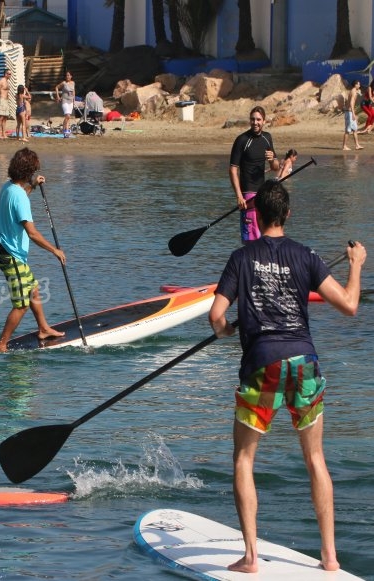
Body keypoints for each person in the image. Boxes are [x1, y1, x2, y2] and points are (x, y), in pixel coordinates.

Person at [208, 179, 366, 574]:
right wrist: (357, 265)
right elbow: (349, 305)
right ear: (288, 215)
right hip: (304, 363)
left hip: (263, 364)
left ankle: (250, 557)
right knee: (315, 459)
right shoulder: (306, 256)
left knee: (244, 459)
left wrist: (227, 330)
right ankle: (330, 557)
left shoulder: (240, 258)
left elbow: (215, 316)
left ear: (256, 217)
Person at [0, 148, 66, 352]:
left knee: (33, 288)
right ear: (28, 171)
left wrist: (33, 185)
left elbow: (20, 199)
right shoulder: (19, 196)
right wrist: (54, 250)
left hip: (5, 249)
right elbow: (32, 233)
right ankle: (2, 345)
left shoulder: (9, 188)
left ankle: (43, 328)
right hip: (10, 254)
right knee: (21, 304)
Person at [229, 105, 279, 243]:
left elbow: (275, 167)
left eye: (258, 120)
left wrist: (272, 159)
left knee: (263, 237)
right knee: (250, 239)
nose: (255, 123)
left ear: (264, 121)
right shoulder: (242, 140)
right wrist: (239, 196)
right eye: (252, 119)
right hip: (247, 196)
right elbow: (233, 170)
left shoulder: (267, 138)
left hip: (262, 196)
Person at [341, 80, 364, 151]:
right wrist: (353, 114)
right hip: (349, 112)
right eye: (358, 84)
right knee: (348, 130)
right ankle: (344, 146)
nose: (359, 86)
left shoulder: (354, 91)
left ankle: (357, 145)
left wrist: (359, 93)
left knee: (355, 129)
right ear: (355, 85)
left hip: (350, 112)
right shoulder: (353, 91)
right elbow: (351, 103)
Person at [55, 71, 75, 136]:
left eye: (69, 75)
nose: (67, 77)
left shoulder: (73, 83)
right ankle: (65, 130)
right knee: (67, 116)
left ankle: (66, 130)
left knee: (68, 117)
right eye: (66, 75)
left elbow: (73, 91)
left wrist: (74, 100)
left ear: (71, 76)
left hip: (71, 101)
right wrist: (58, 96)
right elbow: (57, 87)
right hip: (64, 100)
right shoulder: (64, 83)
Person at [0, 69, 12, 140]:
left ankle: (4, 134)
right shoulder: (1, 81)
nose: (10, 75)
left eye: (10, 74)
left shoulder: (7, 81)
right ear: (5, 74)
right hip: (2, 100)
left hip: (6, 101)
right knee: (0, 117)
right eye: (9, 74)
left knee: (5, 118)